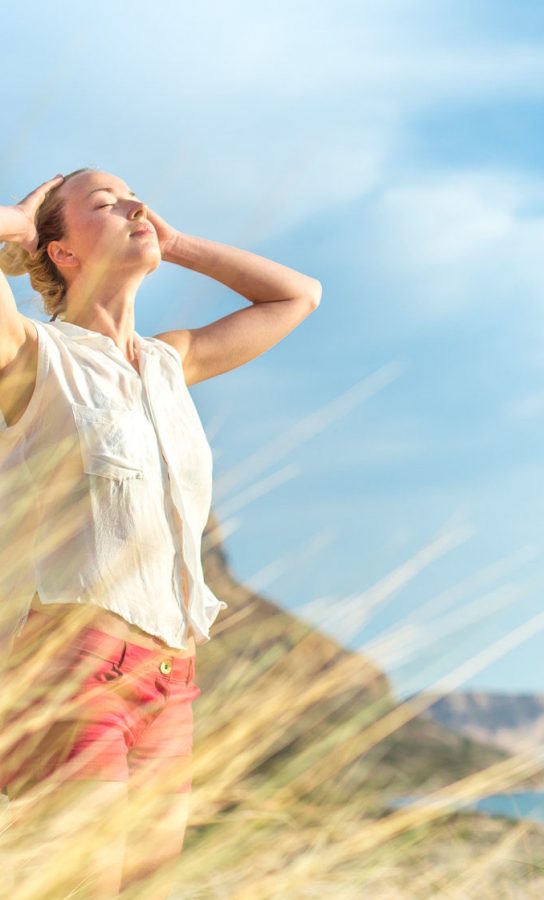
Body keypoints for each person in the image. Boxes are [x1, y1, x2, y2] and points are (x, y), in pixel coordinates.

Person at [0, 168, 322, 897]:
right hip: (70, 671)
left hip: (170, 679)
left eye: (135, 196)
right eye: (104, 204)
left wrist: (173, 244)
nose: (134, 205)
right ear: (62, 253)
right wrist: (19, 223)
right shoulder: (32, 358)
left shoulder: (172, 363)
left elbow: (299, 295)